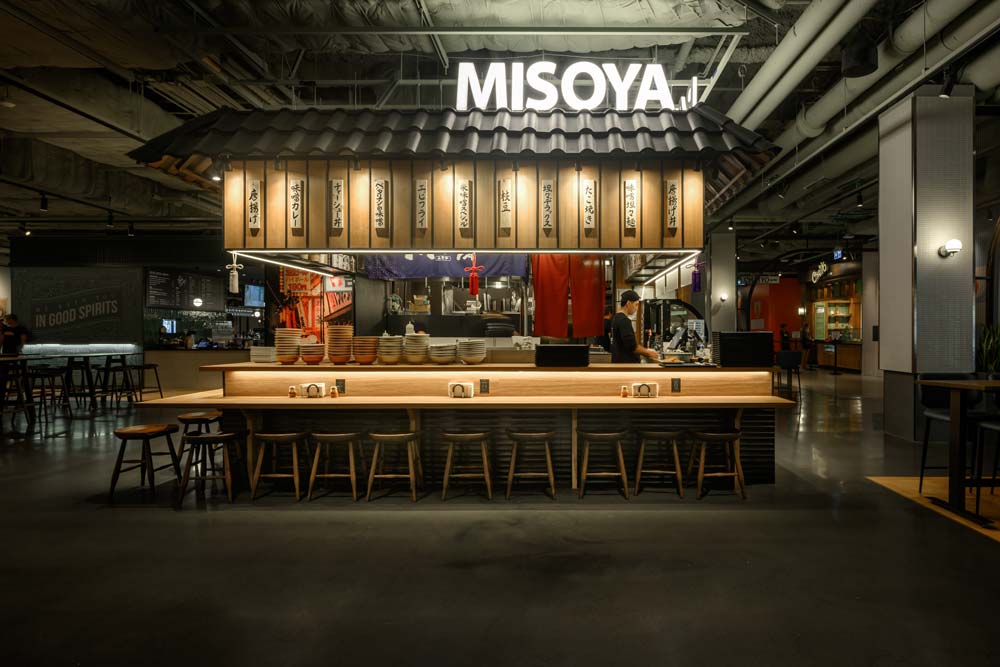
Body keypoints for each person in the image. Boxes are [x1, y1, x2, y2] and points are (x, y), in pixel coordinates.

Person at [610, 290, 659, 363]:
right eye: (636, 304)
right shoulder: (624, 320)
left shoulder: (616, 318)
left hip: (619, 362)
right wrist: (649, 352)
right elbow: (632, 346)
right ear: (628, 303)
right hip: (626, 366)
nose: (637, 308)